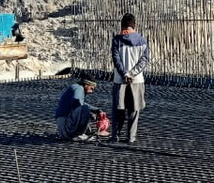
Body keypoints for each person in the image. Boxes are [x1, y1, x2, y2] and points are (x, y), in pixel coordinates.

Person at [111, 12, 150, 144]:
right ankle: (131, 137)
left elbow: (116, 59)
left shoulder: (116, 40)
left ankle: (115, 136)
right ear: (134, 25)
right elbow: (144, 60)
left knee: (118, 109)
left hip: (120, 80)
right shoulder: (142, 41)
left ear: (122, 26)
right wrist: (133, 73)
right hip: (137, 80)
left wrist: (125, 74)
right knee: (134, 110)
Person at [55, 75, 108, 141]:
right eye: (91, 88)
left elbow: (79, 103)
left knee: (84, 108)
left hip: (64, 128)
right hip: (66, 127)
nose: (91, 92)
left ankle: (81, 133)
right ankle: (79, 134)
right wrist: (89, 114)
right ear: (86, 85)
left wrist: (96, 110)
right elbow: (77, 101)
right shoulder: (79, 88)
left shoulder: (75, 87)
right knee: (85, 109)